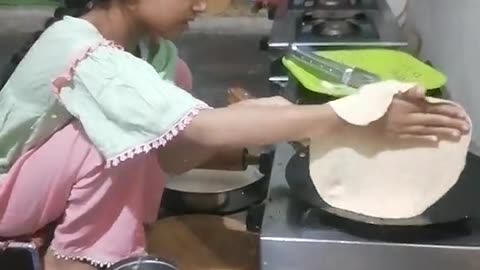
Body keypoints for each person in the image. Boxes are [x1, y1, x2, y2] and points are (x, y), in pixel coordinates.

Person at [0, 0, 469, 269]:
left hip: (44, 187)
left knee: (158, 104)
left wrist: (299, 122)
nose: (202, 4)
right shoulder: (83, 51)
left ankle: (118, 245)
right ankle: (77, 261)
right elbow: (199, 128)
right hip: (7, 200)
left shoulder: (155, 57)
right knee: (112, 137)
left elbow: (175, 152)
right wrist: (347, 115)